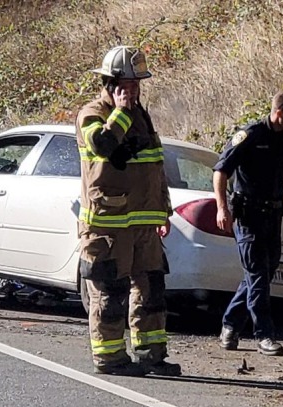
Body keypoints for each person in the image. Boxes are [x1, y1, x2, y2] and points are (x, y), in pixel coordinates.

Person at [75, 45, 181, 377]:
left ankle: (151, 354)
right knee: (111, 293)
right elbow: (103, 147)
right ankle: (110, 358)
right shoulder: (91, 114)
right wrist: (119, 113)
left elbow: (154, 165)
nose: (134, 91)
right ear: (110, 83)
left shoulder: (141, 115)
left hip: (143, 225)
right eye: (128, 84)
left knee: (151, 290)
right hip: (108, 224)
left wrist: (163, 208)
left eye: (138, 84)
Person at [213, 91, 283, 356]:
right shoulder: (251, 135)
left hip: (273, 216)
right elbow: (221, 171)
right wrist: (222, 208)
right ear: (280, 113)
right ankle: (264, 335)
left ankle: (230, 324)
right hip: (248, 216)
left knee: (263, 274)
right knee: (257, 275)